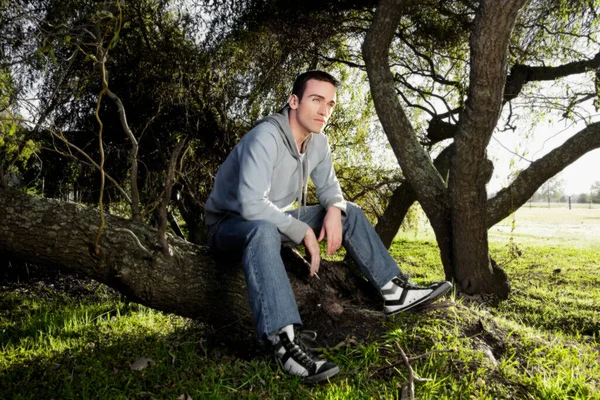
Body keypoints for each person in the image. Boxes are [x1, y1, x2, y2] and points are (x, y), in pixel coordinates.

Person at [205, 70, 452, 383]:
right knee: (263, 229)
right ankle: (285, 344)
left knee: (348, 211)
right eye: (316, 100)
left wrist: (334, 208)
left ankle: (393, 291)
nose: (325, 110)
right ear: (293, 101)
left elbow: (330, 189)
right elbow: (252, 205)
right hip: (227, 227)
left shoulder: (318, 142)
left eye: (331, 104)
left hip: (268, 224)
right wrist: (304, 231)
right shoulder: (264, 137)